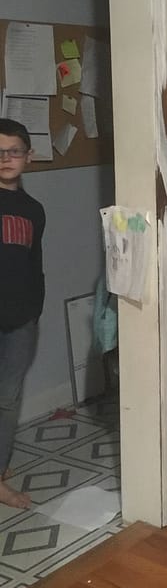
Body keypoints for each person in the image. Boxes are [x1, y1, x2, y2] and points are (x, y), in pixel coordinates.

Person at [0, 118, 45, 508]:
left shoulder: (33, 210)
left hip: (20, 321)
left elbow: (35, 266)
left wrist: (34, 313)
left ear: (27, 157)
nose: (6, 158)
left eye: (14, 151)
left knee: (7, 398)